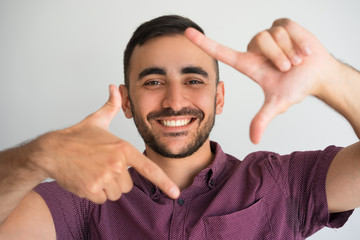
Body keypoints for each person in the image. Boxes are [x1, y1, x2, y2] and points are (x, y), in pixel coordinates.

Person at [0, 14, 359, 239]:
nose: (174, 101)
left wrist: (331, 80)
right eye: (153, 82)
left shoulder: (283, 184)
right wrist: (37, 155)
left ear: (219, 98)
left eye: (193, 80)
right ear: (126, 101)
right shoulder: (86, 199)